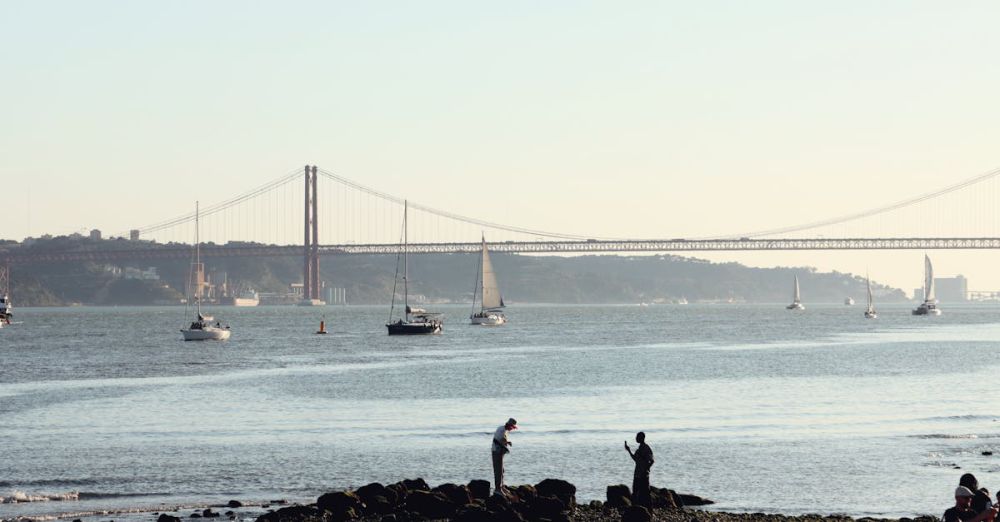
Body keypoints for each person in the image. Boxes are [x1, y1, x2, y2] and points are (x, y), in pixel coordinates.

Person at [625, 432, 654, 508]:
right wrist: (629, 450)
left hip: (643, 475)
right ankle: (634, 509)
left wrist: (646, 469)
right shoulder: (639, 449)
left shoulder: (646, 448)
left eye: (637, 437)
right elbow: (635, 459)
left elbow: (651, 460)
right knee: (635, 492)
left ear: (642, 438)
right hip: (637, 474)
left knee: (646, 494)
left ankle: (649, 510)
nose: (636, 438)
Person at [491, 418, 517, 495]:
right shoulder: (502, 430)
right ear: (509, 425)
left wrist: (507, 442)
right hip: (496, 451)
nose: (512, 429)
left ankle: (502, 487)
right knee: (498, 471)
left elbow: (501, 439)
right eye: (512, 427)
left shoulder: (504, 429)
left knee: (502, 470)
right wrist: (507, 442)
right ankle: (497, 489)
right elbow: (500, 440)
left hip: (499, 452)